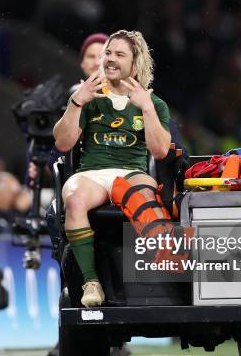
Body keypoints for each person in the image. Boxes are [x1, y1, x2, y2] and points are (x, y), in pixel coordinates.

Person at [53, 30, 174, 307]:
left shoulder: (154, 103)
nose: (110, 59)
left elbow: (159, 151)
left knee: (144, 198)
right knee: (72, 198)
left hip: (131, 172)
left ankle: (161, 279)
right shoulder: (88, 96)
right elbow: (62, 143)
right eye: (108, 52)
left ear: (136, 62)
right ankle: (91, 282)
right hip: (91, 173)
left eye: (120, 54)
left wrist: (147, 109)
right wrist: (76, 102)